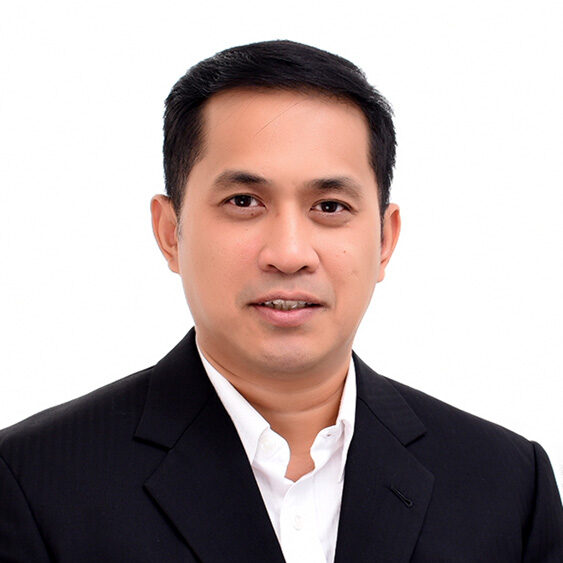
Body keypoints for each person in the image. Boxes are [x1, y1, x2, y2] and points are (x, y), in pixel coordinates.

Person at [0, 40, 561, 562]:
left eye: (330, 207)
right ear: (170, 232)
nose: (289, 254)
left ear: (385, 240)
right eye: (244, 201)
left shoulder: (509, 486)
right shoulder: (33, 482)